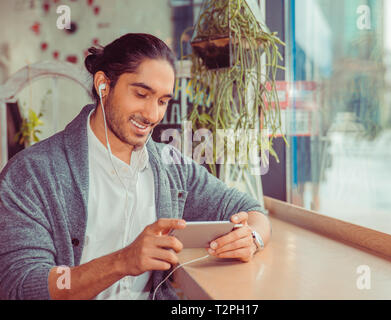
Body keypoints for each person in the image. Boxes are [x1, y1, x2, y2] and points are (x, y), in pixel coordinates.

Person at [0, 33, 271, 300]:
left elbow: (253, 211)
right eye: (141, 94)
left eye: (163, 101)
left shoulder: (171, 167)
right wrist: (122, 261)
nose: (153, 115)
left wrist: (252, 237)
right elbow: (21, 285)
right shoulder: (31, 174)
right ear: (103, 85)